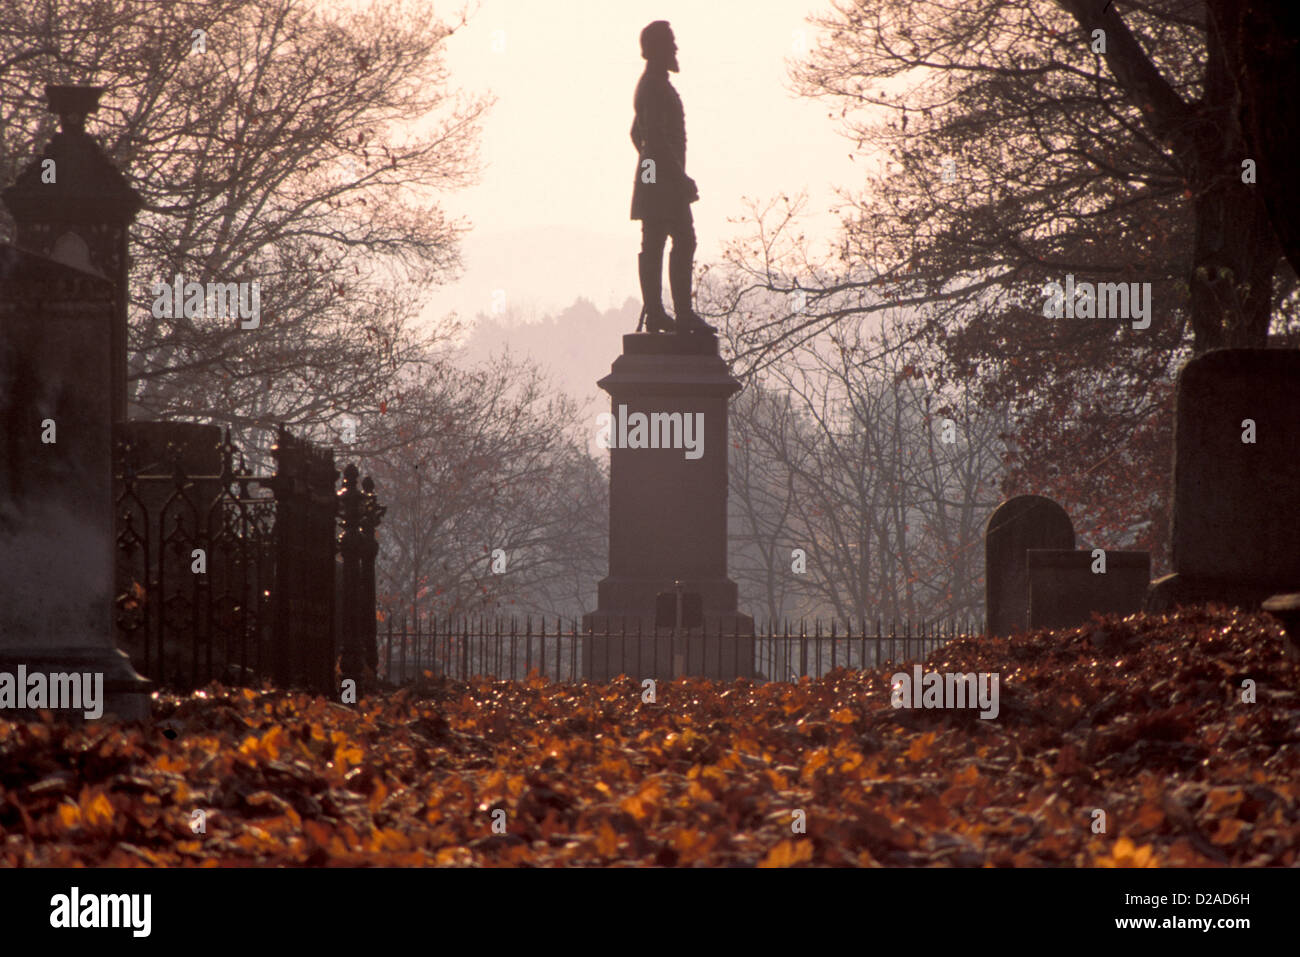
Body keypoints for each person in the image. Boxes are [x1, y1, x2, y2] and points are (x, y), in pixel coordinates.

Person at [629, 20, 716, 335]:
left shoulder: (653, 84)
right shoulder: (653, 86)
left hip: (656, 176)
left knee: (658, 241)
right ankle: (676, 314)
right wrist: (676, 178)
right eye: (671, 43)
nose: (676, 49)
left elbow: (638, 135)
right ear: (657, 49)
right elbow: (651, 136)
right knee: (676, 239)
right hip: (661, 179)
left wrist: (649, 168)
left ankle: (664, 313)